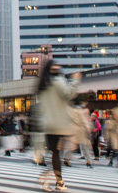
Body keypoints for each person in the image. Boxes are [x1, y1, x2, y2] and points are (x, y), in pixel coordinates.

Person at [35, 60, 81, 191]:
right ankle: (56, 180)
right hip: (60, 123)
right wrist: (75, 81)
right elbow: (69, 94)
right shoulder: (58, 81)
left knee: (55, 152)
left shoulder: (42, 85)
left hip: (47, 123)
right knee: (59, 153)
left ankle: (55, 180)